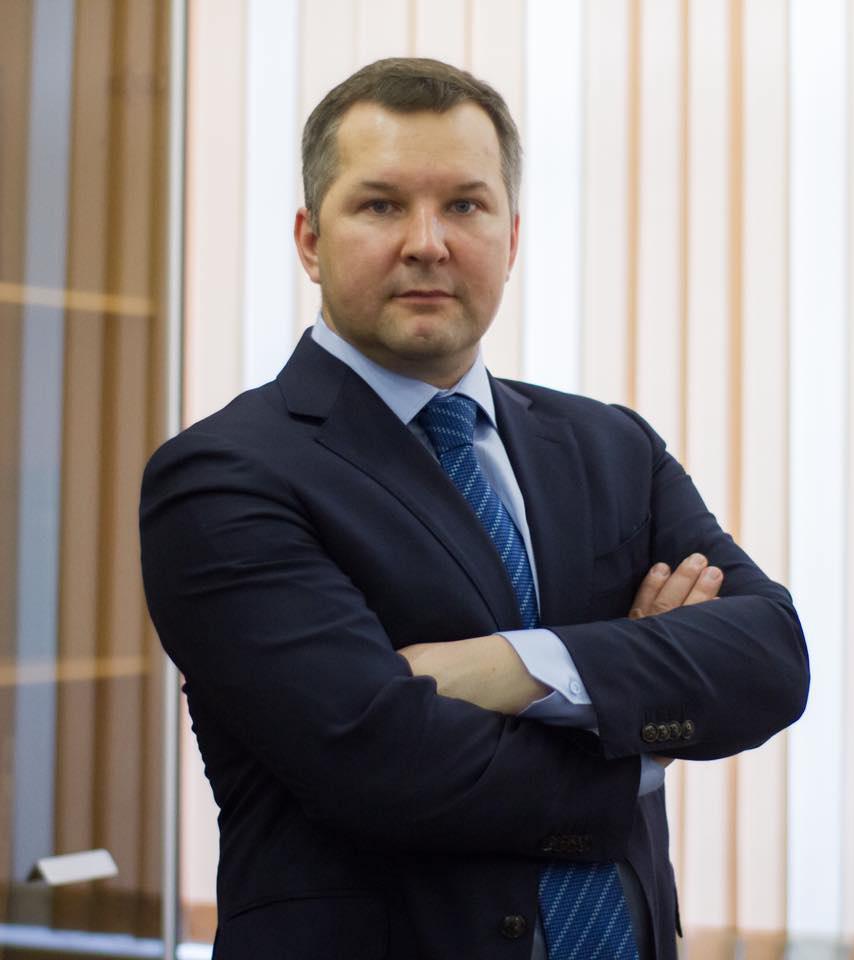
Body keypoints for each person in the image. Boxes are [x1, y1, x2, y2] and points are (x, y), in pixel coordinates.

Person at [140, 58, 808, 960]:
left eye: (464, 204)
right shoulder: (223, 475)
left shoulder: (612, 447)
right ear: (309, 240)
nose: (428, 243)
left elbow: (771, 657)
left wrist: (510, 668)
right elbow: (377, 761)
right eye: (381, 205)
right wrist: (633, 733)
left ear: (512, 236)